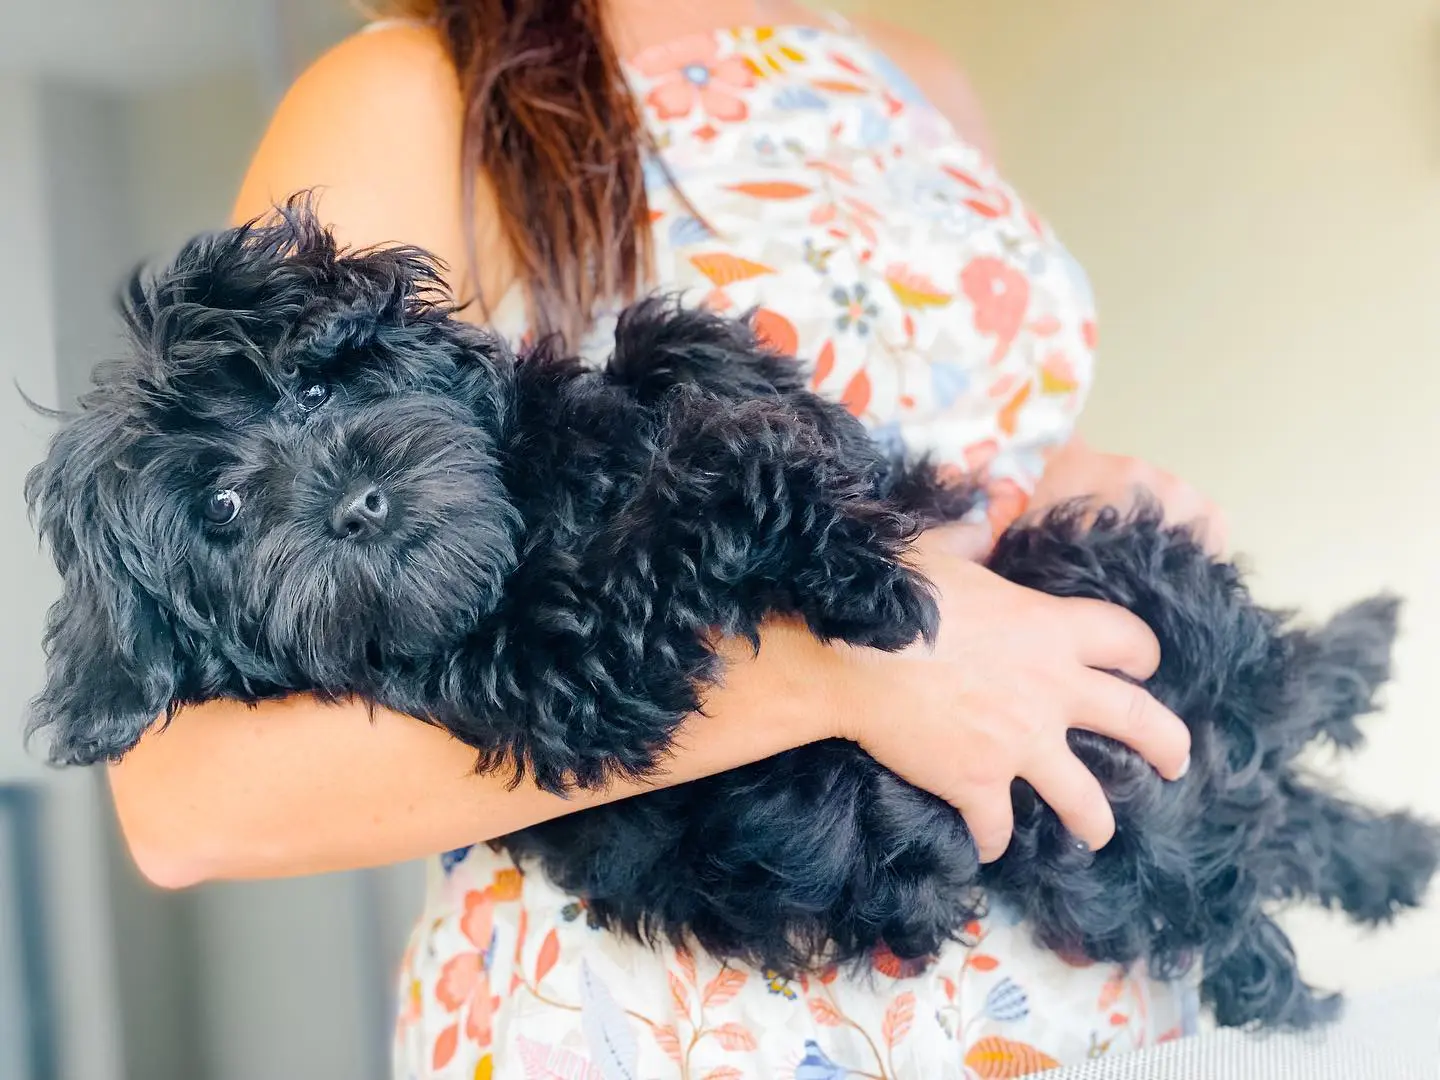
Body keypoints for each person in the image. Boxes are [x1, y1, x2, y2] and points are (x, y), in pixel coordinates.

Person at [108, 0, 1226, 1073]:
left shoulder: (904, 69)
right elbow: (187, 800)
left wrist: (1064, 497)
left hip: (1081, 971)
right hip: (666, 1012)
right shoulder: (409, 89)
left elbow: (953, 473)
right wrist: (836, 674)